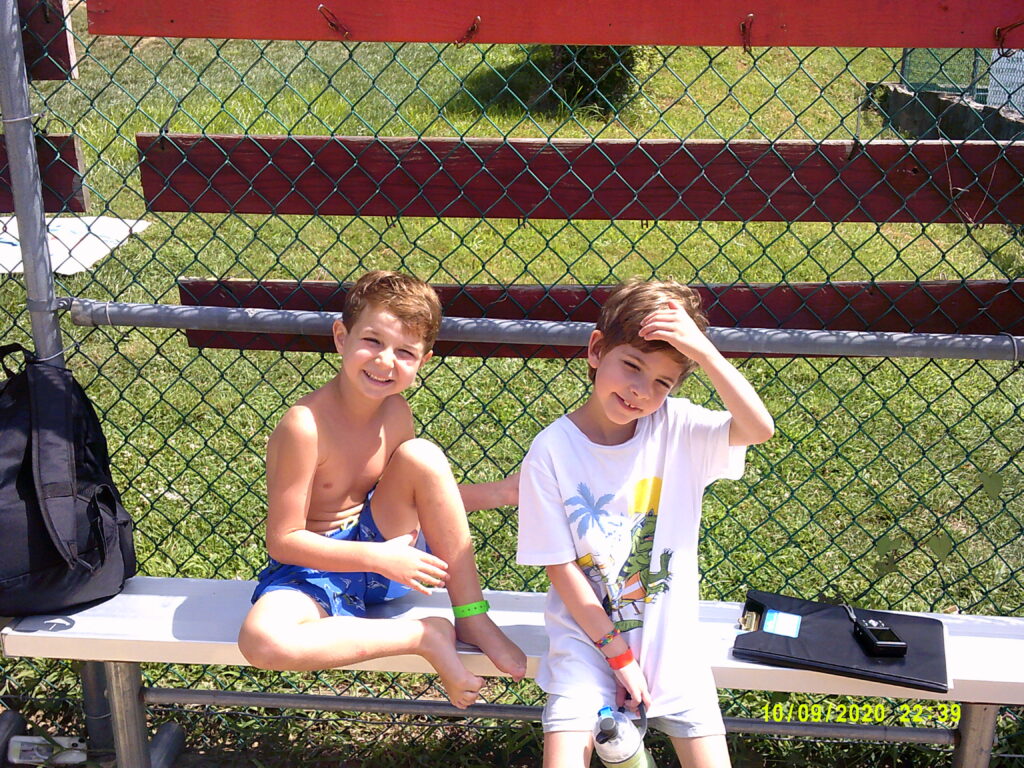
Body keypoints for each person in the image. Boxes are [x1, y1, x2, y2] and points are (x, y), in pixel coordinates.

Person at [238, 270, 527, 709]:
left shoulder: (395, 412)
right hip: (315, 570)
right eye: (373, 341)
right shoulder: (304, 426)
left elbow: (418, 496)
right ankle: (422, 636)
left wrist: (502, 493)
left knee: (421, 455)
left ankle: (472, 616)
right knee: (262, 640)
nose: (385, 361)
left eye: (405, 352)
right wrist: (378, 557)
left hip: (387, 559)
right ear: (341, 337)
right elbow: (283, 541)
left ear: (423, 362)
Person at [517, 278, 774, 768]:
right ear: (596, 350)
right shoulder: (550, 450)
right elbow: (562, 569)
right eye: (632, 366)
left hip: (671, 647)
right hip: (588, 646)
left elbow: (758, 428)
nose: (641, 390)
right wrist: (619, 657)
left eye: (662, 382)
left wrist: (704, 353)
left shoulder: (677, 427)